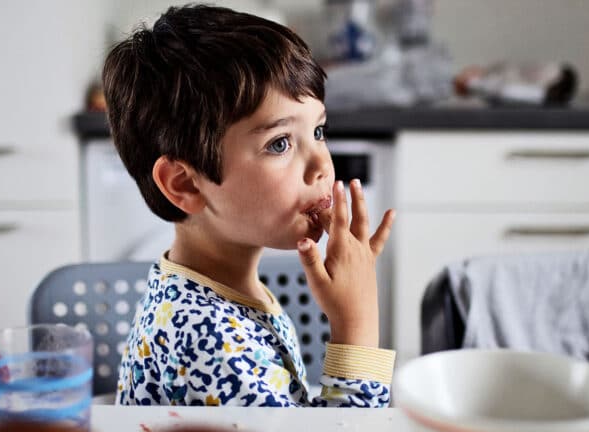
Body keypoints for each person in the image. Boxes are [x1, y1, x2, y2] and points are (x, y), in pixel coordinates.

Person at [102, 4, 396, 407]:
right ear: (185, 184)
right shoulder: (209, 341)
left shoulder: (221, 290)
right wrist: (356, 323)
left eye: (318, 130)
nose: (322, 165)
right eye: (280, 143)